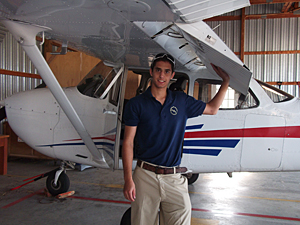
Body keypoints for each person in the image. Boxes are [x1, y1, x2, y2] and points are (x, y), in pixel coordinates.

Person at [122, 53, 230, 225]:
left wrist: (225, 82)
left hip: (174, 177)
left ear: (172, 75)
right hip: (145, 176)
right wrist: (128, 179)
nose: (162, 76)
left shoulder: (182, 101)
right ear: (151, 71)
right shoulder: (137, 104)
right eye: (158, 70)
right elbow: (128, 142)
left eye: (166, 71)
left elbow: (212, 109)